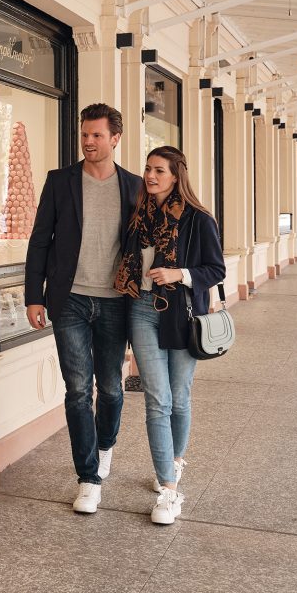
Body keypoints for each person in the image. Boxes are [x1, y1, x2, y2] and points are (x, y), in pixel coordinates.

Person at [25, 104, 143, 514]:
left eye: (97, 135)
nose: (88, 142)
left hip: (115, 302)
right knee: (77, 390)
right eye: (85, 135)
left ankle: (105, 445)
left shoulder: (135, 187)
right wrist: (33, 295)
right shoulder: (60, 182)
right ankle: (88, 477)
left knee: (110, 388)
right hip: (69, 299)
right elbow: (40, 240)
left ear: (115, 138)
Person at [114, 145, 226, 526]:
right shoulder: (138, 217)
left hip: (182, 314)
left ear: (176, 176)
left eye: (159, 170)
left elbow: (216, 269)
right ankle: (167, 489)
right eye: (148, 169)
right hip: (142, 310)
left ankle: (176, 460)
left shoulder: (198, 219)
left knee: (179, 396)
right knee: (157, 398)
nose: (150, 176)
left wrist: (180, 274)